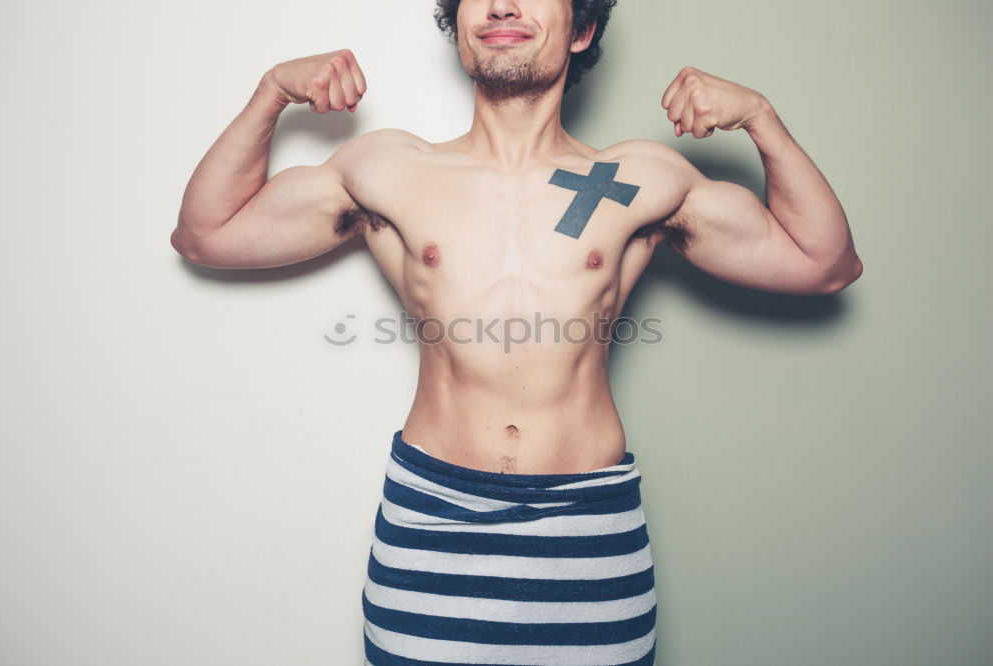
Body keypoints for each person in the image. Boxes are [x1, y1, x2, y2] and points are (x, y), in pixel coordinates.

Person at [172, 0, 863, 663]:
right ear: (460, 23)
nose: (502, 5)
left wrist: (762, 120)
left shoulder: (638, 178)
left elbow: (824, 264)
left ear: (582, 28)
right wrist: (270, 93)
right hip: (432, 523)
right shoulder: (389, 169)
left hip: (588, 530)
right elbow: (207, 235)